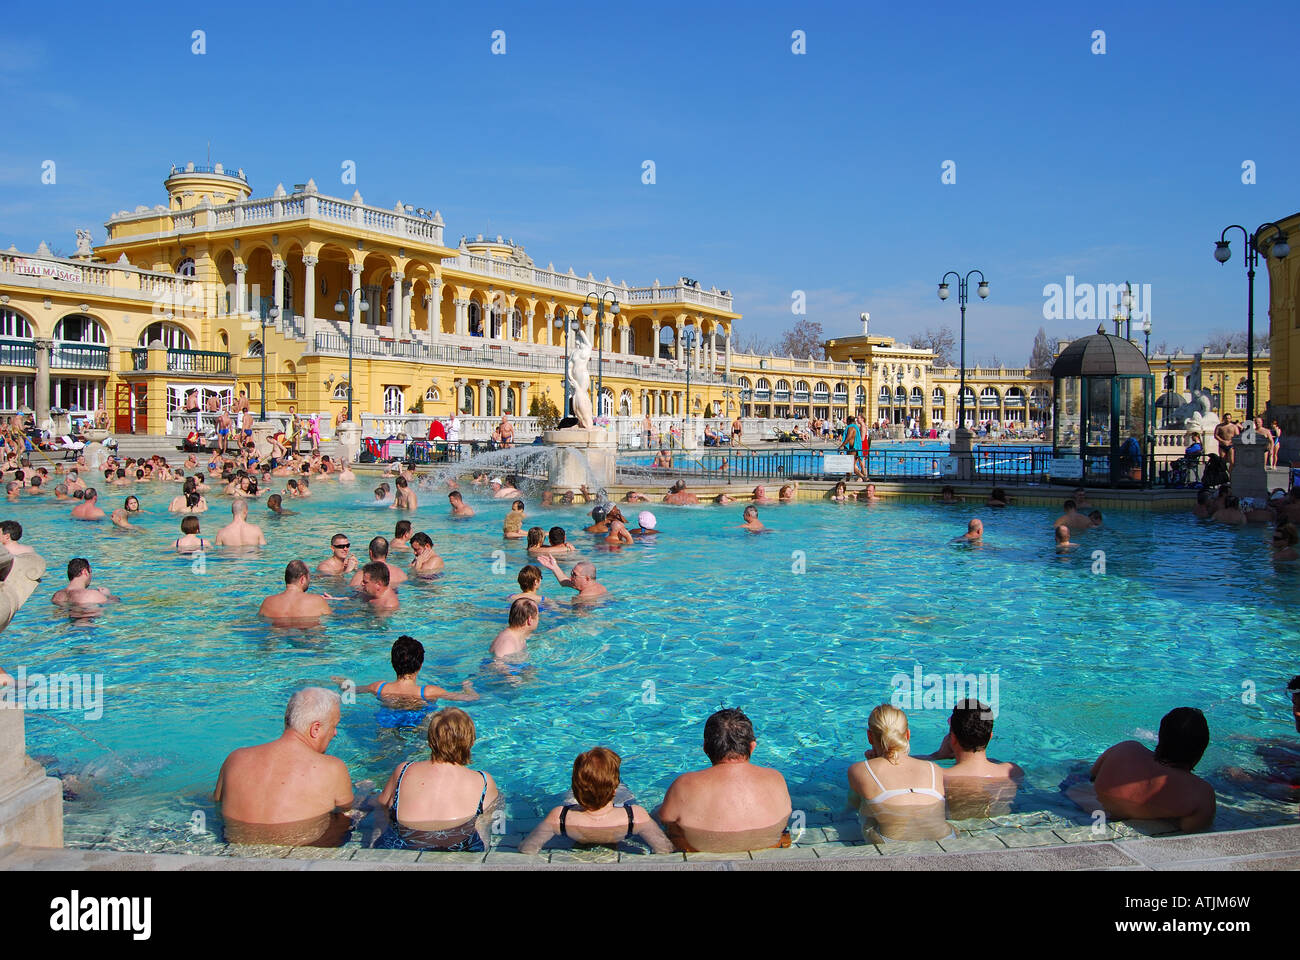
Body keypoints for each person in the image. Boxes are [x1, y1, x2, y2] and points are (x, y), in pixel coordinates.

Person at [214, 687, 356, 846]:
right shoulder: (333, 768)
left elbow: (216, 803)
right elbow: (346, 811)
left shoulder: (235, 759)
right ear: (315, 728)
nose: (335, 733)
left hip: (235, 854)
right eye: (334, 725)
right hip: (293, 859)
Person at [657, 708, 792, 853]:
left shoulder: (683, 784)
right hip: (770, 848)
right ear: (752, 747)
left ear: (705, 748)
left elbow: (665, 820)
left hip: (701, 852)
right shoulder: (776, 778)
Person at [372, 707, 500, 852]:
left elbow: (382, 804)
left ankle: (372, 848)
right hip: (458, 850)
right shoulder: (483, 780)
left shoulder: (403, 770)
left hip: (402, 845)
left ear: (430, 739)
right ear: (470, 741)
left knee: (379, 805)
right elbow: (484, 825)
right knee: (496, 804)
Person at [1081, 707, 1216, 833]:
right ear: (1201, 750)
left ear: (1160, 737)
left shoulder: (1125, 748)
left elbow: (1092, 775)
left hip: (1085, 809)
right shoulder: (1201, 793)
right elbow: (1190, 830)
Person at [520, 747, 674, 855]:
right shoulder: (635, 816)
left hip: (575, 825)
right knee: (626, 794)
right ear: (614, 789)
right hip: (622, 823)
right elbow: (664, 848)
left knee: (569, 798)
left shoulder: (559, 817)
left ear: (575, 788)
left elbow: (527, 848)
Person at [846, 704, 952, 842]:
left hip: (894, 845)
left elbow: (852, 807)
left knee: (866, 811)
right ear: (907, 735)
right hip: (948, 840)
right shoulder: (934, 769)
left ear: (869, 737)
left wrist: (870, 766)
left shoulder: (859, 770)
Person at [925, 700, 1023, 818]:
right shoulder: (1012, 772)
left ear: (953, 738)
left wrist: (936, 756)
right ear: (990, 736)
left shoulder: (937, 776)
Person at [340, 635, 478, 709]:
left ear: (392, 662)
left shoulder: (379, 688)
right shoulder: (428, 692)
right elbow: (471, 699)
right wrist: (467, 687)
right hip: (418, 728)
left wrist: (341, 681)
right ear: (421, 665)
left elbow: (351, 690)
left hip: (387, 725)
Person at [258, 560, 332, 622]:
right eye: (308, 578)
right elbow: (332, 620)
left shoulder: (268, 602)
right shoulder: (317, 601)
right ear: (303, 579)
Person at [536, 554, 608, 602]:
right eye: (571, 573)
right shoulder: (598, 586)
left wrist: (546, 601)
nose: (571, 577)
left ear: (587, 578)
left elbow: (574, 617)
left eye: (574, 575)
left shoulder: (582, 598)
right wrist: (554, 567)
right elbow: (565, 582)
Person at [51, 557, 116, 606]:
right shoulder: (92, 595)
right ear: (85, 572)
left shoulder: (56, 596)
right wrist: (108, 595)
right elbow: (114, 606)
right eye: (90, 571)